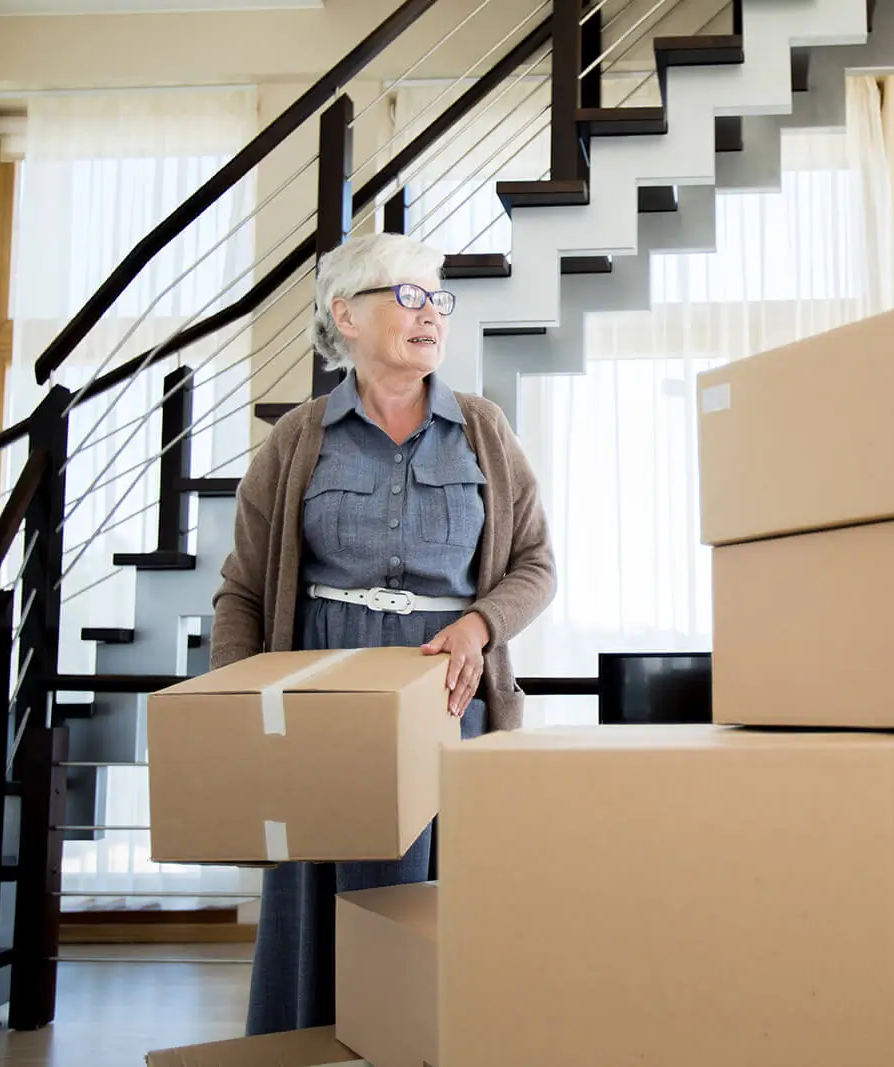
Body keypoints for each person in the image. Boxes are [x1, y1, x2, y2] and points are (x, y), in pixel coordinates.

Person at [209, 231, 556, 1035]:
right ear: (346, 316)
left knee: (427, 905)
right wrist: (237, 705)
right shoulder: (297, 438)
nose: (430, 312)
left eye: (437, 297)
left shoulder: (482, 429)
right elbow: (243, 589)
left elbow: (535, 563)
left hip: (447, 699)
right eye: (406, 295)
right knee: (318, 906)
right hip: (317, 703)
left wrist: (479, 624)